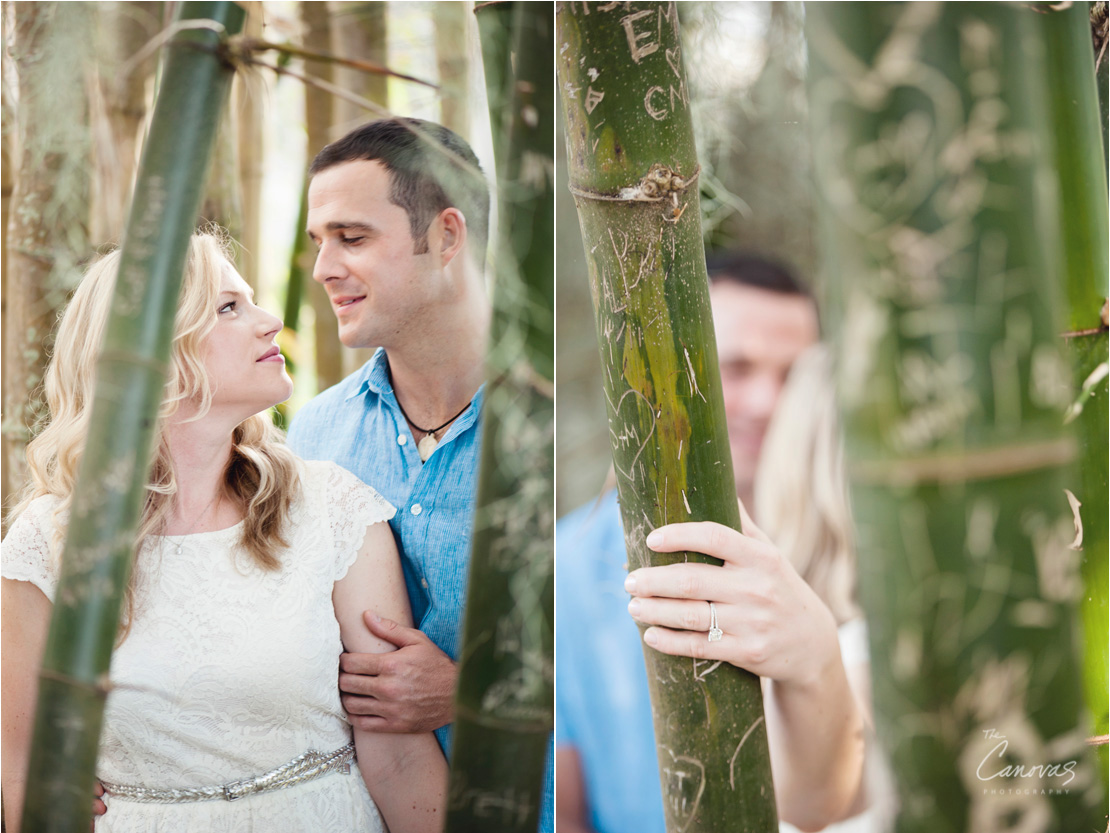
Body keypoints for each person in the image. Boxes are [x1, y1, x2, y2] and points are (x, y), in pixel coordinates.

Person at [1, 232, 446, 833]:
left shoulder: (332, 509)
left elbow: (397, 756)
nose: (271, 322)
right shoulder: (47, 542)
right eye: (229, 307)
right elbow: (22, 763)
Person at [286, 118, 553, 828]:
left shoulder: (565, 422)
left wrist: (476, 691)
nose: (323, 269)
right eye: (320, 243)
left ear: (446, 236)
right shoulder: (315, 436)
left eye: (352, 237)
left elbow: (640, 655)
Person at [555, 254, 871, 833]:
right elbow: (561, 803)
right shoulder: (571, 561)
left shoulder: (859, 546)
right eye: (736, 368)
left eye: (791, 376)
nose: (765, 402)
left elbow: (832, 803)